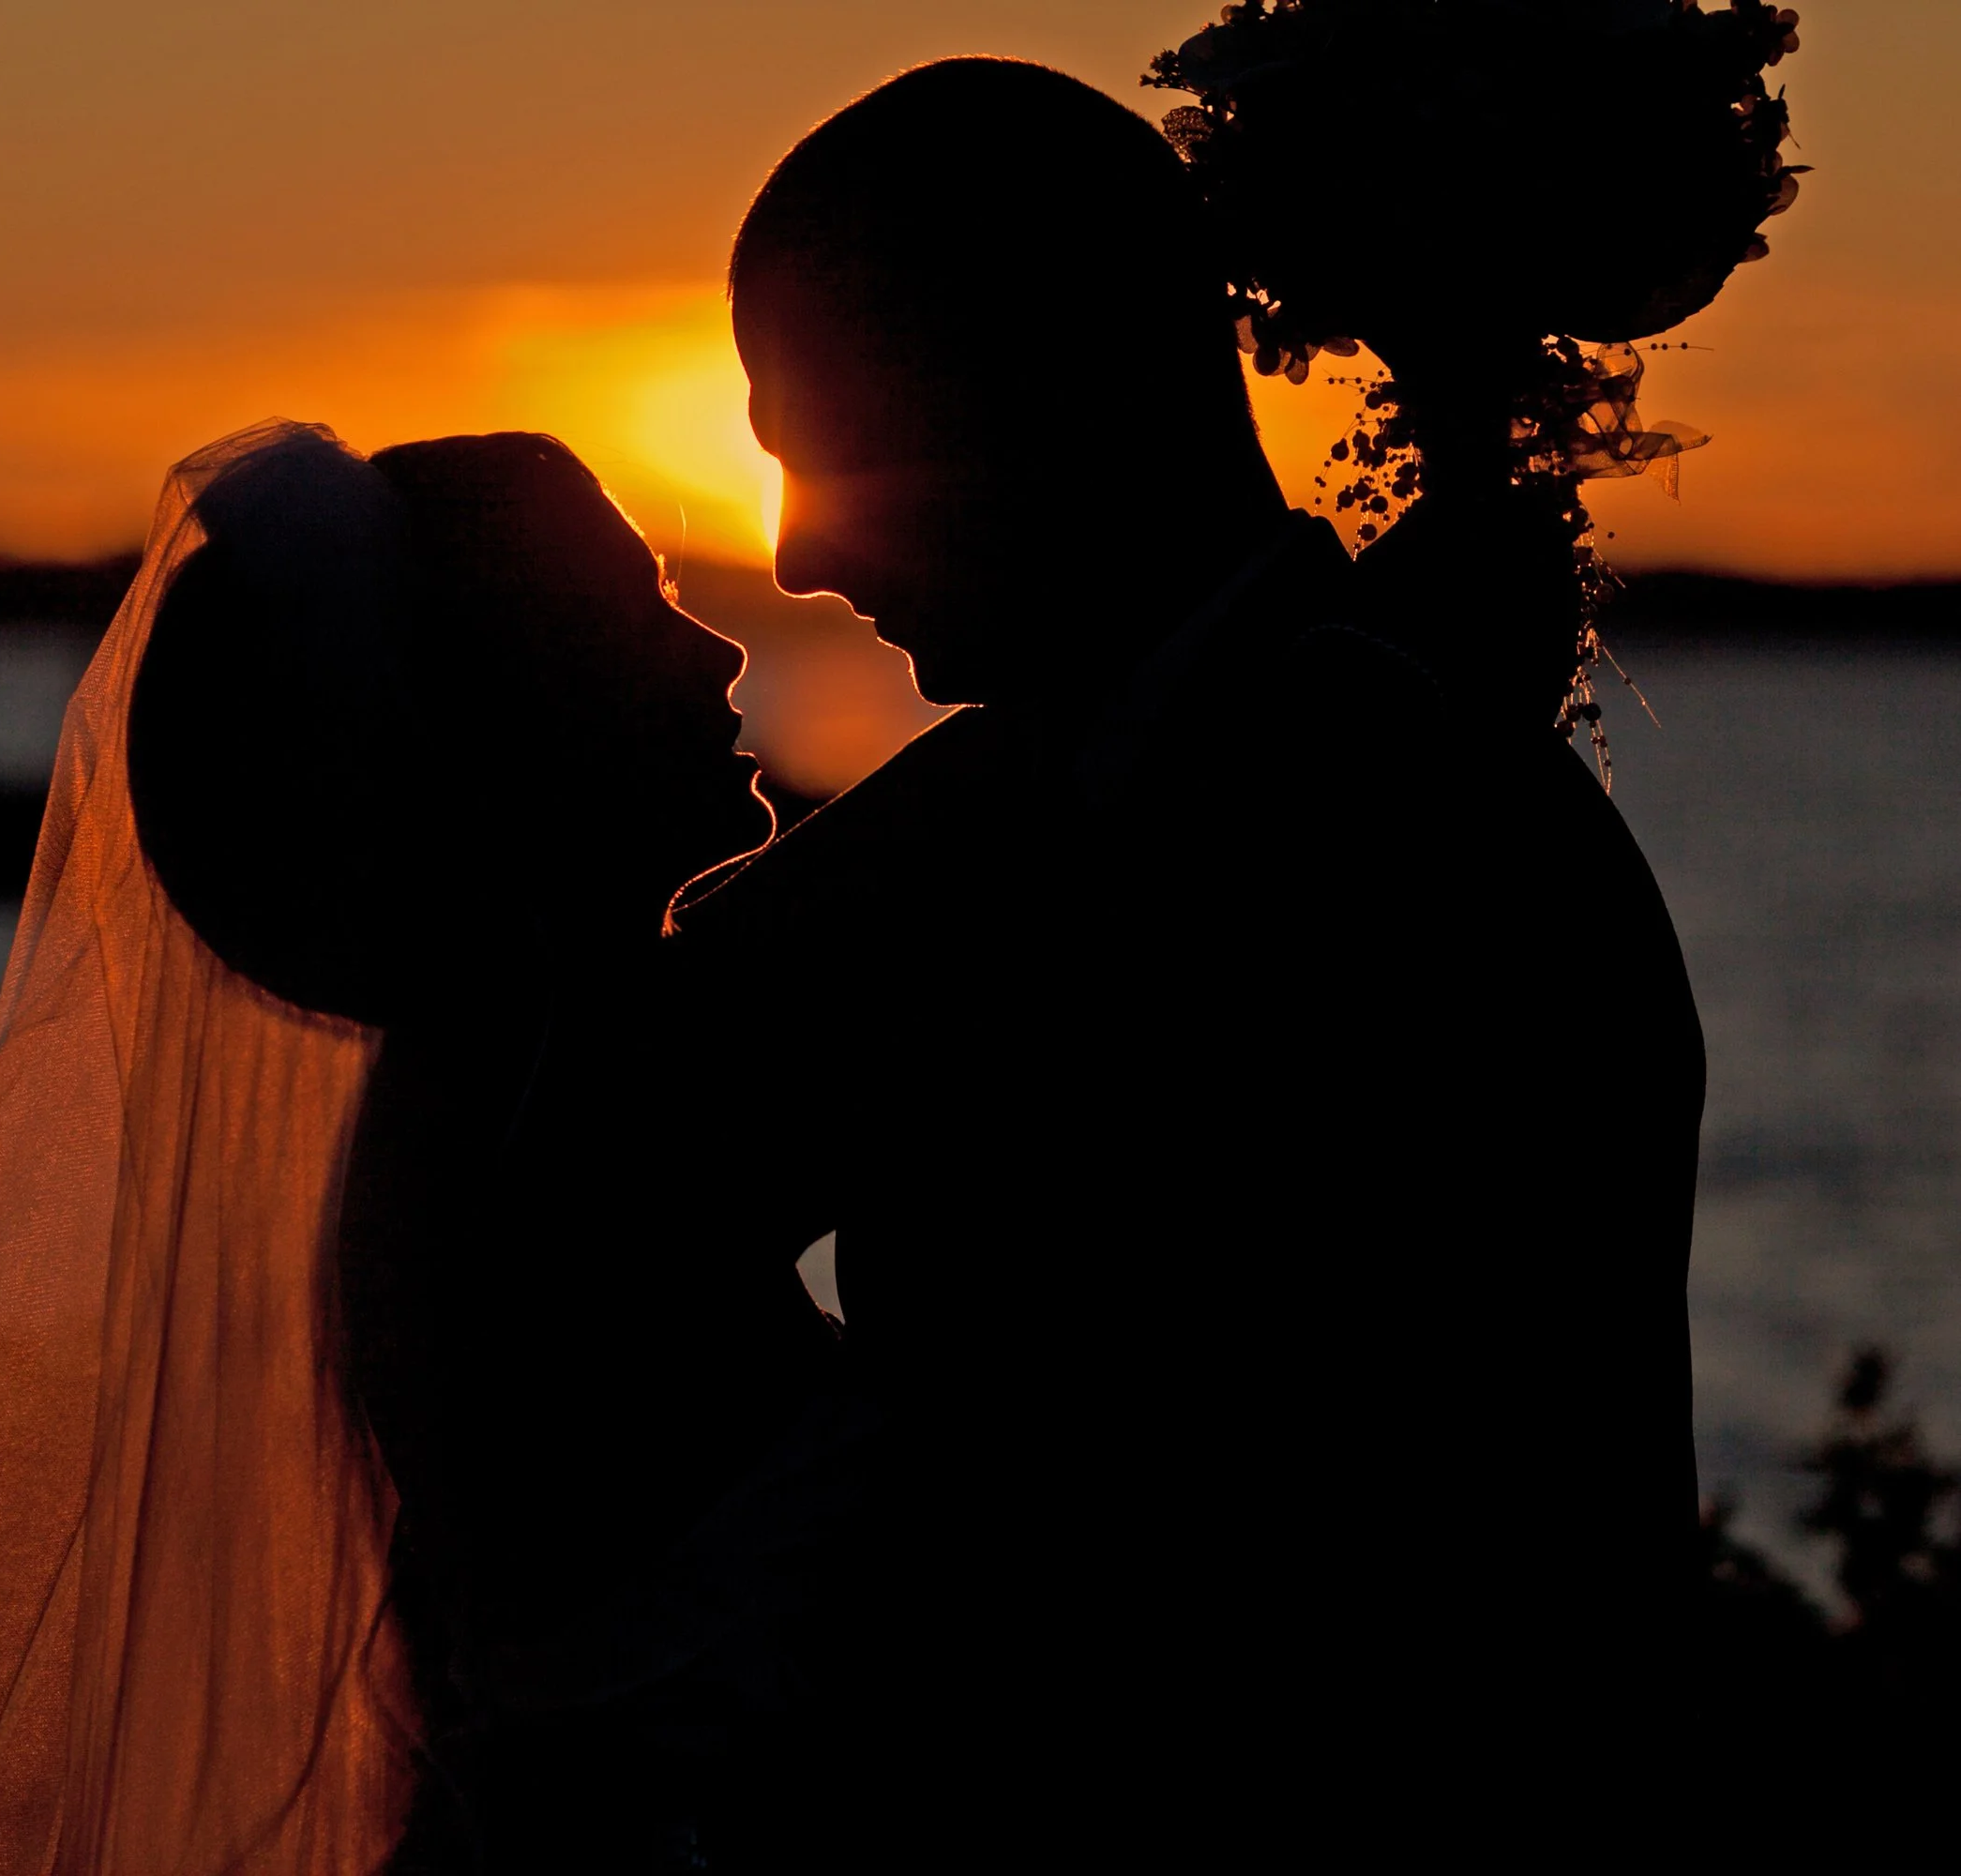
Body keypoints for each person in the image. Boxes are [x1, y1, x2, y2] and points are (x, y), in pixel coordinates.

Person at [673, 53, 1705, 1856]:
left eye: (829, 438)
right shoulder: (1088, 786)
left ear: (1048, 372)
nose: (799, 547)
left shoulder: (1380, 813)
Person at [0, 420, 837, 1874]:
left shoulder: (503, 1079)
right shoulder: (557, 1121)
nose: (718, 655)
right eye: (635, 610)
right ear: (506, 720)